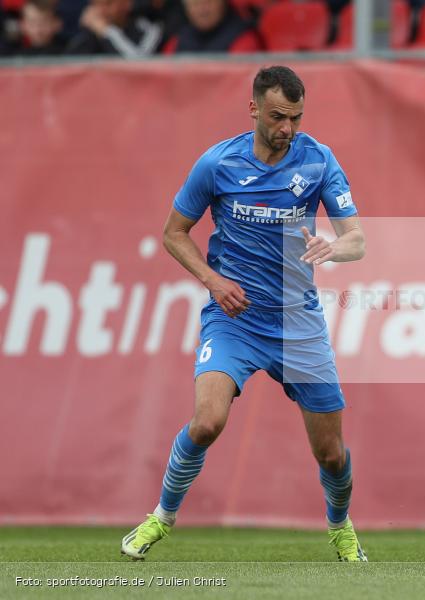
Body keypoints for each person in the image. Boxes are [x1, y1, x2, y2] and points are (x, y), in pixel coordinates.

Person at [121, 66, 367, 562]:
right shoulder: (217, 164)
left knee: (330, 453)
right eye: (278, 117)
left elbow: (357, 239)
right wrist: (213, 281)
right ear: (253, 108)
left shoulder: (317, 161)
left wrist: (333, 248)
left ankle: (340, 527)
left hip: (299, 325)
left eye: (296, 118)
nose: (288, 129)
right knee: (207, 421)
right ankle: (161, 517)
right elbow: (173, 233)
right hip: (234, 319)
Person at [66, 0, 162, 57]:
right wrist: (87, 33)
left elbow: (138, 66)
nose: (102, 10)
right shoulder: (91, 32)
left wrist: (107, 32)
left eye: (108, 3)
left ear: (127, 3)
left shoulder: (149, 29)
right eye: (97, 4)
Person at [162, 0, 262, 54]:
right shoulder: (176, 42)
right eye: (195, 4)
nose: (202, 10)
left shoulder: (244, 39)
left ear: (222, 3)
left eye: (208, 2)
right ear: (186, 9)